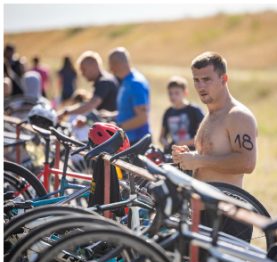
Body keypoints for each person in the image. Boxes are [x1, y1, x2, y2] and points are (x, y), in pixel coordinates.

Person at [172, 52, 258, 189]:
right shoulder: (210, 116)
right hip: (201, 203)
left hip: (225, 204)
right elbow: (210, 157)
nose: (201, 87)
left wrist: (199, 161)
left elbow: (247, 163)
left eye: (206, 79)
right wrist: (189, 156)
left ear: (224, 79)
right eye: (196, 80)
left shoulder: (238, 115)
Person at [57, 51, 118, 120]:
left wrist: (66, 112)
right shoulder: (106, 79)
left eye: (83, 70)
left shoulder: (104, 82)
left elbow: (91, 105)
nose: (82, 74)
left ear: (93, 66)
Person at [107, 48, 151, 143]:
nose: (110, 69)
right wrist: (111, 116)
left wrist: (117, 127)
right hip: (129, 139)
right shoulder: (126, 81)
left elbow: (142, 117)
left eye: (112, 65)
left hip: (137, 141)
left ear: (119, 64)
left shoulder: (135, 83)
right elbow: (128, 111)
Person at [159, 76, 204, 152]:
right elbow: (161, 137)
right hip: (174, 153)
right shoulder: (168, 112)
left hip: (192, 153)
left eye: (177, 93)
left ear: (185, 93)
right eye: (170, 93)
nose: (173, 96)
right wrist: (165, 143)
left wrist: (182, 143)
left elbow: (203, 137)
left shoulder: (195, 110)